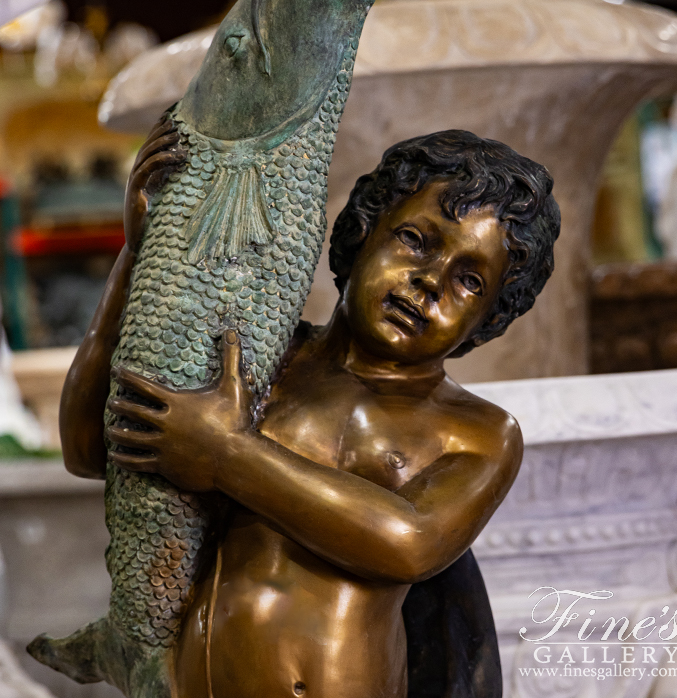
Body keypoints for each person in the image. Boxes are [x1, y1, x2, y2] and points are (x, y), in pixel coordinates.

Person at [60, 124, 560, 698]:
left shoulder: (477, 433)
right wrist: (140, 258)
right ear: (364, 229)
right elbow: (87, 449)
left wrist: (228, 454)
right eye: (416, 240)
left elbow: (410, 541)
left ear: (493, 315)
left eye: (470, 280)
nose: (429, 281)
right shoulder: (261, 359)